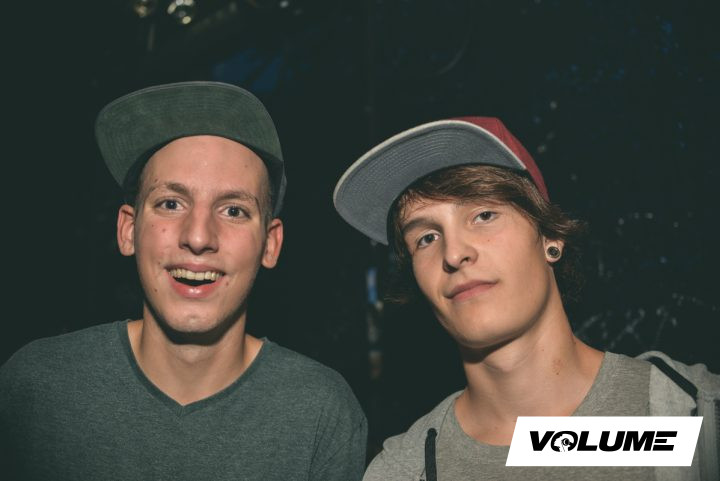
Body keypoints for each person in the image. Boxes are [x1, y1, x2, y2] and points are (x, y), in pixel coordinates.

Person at [1, 81, 367, 480]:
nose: (198, 236)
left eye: (234, 210)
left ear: (270, 244)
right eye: (171, 203)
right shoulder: (36, 388)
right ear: (128, 230)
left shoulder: (321, 413)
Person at [333, 117, 719, 481]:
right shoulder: (404, 471)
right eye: (426, 238)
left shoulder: (693, 420)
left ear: (550, 237)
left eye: (484, 215)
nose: (453, 253)